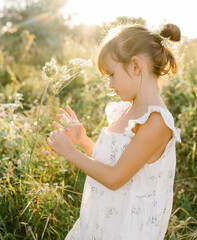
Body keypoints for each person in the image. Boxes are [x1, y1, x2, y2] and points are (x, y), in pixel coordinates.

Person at [47, 23, 182, 240]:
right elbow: (116, 163)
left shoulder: (156, 121)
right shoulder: (128, 110)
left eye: (111, 74)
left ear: (136, 66)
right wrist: (83, 141)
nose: (110, 84)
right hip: (105, 217)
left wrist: (70, 154)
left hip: (127, 227)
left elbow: (115, 178)